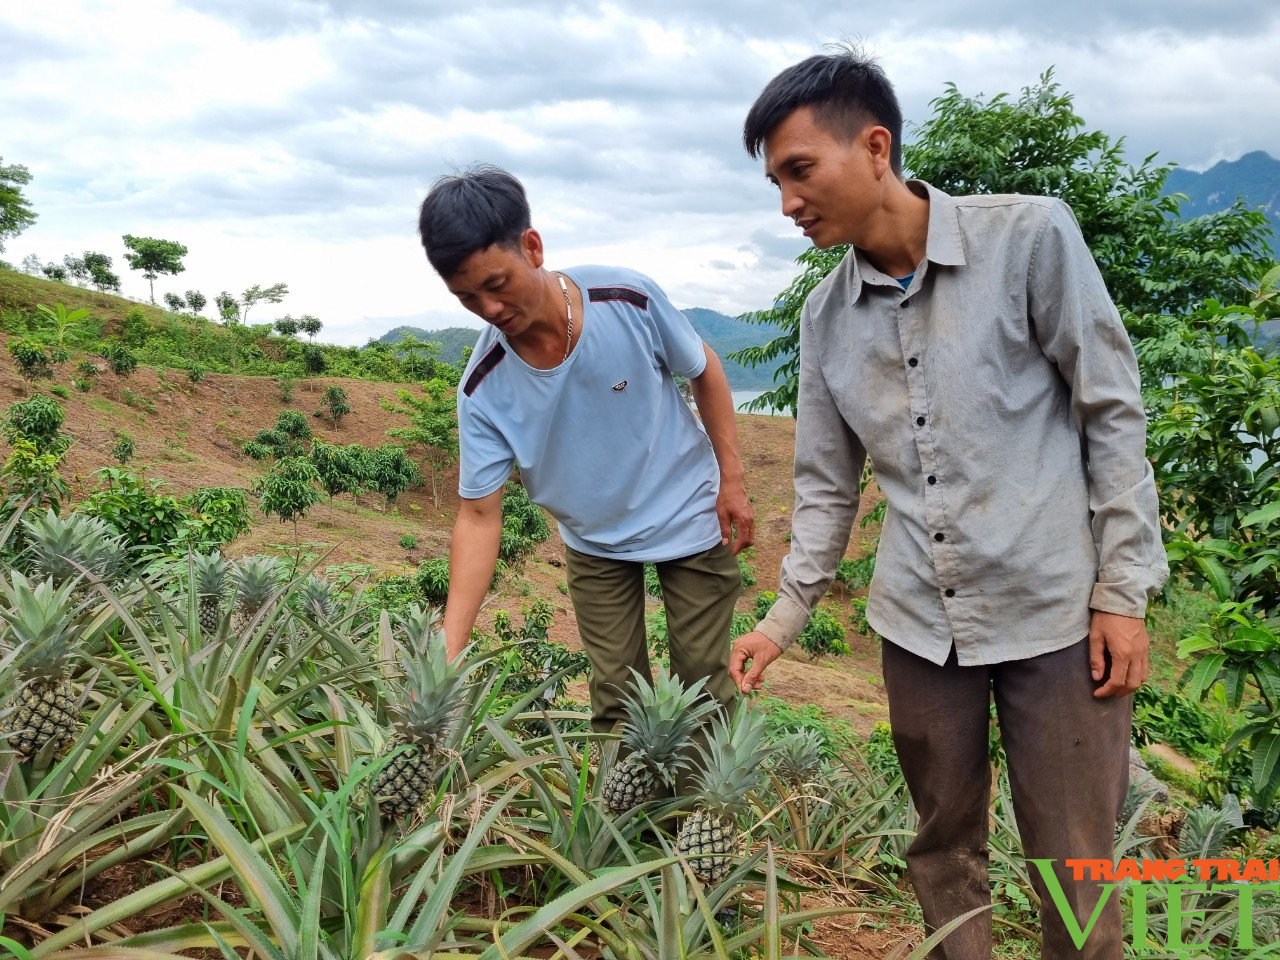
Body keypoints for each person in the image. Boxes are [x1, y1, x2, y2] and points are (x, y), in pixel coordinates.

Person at [728, 49, 1168, 959]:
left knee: (1074, 858)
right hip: (920, 627)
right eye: (775, 183)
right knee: (940, 847)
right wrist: (784, 616)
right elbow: (824, 485)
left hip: (1056, 615)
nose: (787, 204)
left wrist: (1123, 590)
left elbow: (1110, 410)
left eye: (799, 172)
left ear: (876, 147)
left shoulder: (1032, 240)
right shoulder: (826, 320)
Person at [417, 164, 754, 741]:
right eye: (466, 297)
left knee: (702, 687)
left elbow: (704, 368)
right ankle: (626, 828)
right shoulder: (483, 387)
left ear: (532, 246)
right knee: (615, 699)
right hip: (595, 540)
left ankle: (704, 823)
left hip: (688, 510)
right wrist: (452, 643)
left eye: (496, 284)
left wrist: (733, 479)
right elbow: (478, 514)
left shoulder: (627, 298)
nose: (489, 309)